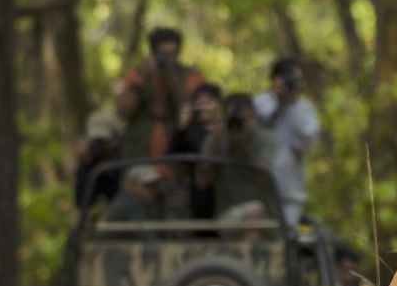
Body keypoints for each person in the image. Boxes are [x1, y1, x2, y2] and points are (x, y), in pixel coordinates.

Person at [115, 28, 205, 159]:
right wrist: (142, 78)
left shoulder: (190, 75)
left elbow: (191, 109)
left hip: (176, 148)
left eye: (173, 54)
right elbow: (122, 112)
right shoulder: (138, 74)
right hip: (140, 148)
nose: (168, 58)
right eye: (163, 54)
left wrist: (172, 77)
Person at [253, 57, 320, 227]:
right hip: (259, 189)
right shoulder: (259, 102)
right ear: (276, 79)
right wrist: (279, 102)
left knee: (287, 238)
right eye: (290, 79)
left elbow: (308, 139)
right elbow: (256, 128)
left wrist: (292, 104)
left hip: (290, 192)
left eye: (297, 80)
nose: (294, 84)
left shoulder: (304, 108)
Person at [198, 94, 277, 220]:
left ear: (254, 116)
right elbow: (203, 182)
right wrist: (214, 141)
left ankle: (252, 239)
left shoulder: (265, 139)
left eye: (243, 120)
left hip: (266, 219)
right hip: (229, 217)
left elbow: (262, 178)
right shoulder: (216, 141)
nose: (237, 125)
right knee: (255, 211)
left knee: (257, 210)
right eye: (232, 120)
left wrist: (242, 145)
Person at [167, 83, 223, 219]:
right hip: (196, 194)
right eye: (199, 103)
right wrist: (181, 128)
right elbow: (174, 154)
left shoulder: (228, 129)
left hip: (224, 189)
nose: (204, 107)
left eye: (208, 102)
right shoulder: (190, 130)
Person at [74, 111, 122, 210]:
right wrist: (83, 163)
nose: (99, 147)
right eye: (95, 141)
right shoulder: (92, 164)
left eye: (103, 142)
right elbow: (83, 202)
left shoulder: (124, 158)